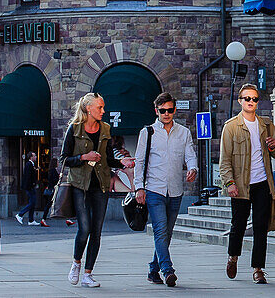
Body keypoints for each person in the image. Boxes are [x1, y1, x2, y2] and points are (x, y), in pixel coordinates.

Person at [61, 92, 135, 288]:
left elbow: (107, 158)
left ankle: (88, 273)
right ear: (88, 109)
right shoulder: (74, 129)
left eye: (103, 107)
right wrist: (84, 157)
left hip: (100, 185)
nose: (103, 111)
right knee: (84, 228)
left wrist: (121, 162)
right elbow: (64, 159)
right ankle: (76, 263)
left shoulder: (105, 129)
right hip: (80, 185)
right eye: (99, 107)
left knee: (97, 231)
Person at [219, 83, 275, 284]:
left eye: (254, 99)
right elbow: (225, 160)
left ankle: (258, 268)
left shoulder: (267, 125)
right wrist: (229, 182)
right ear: (240, 101)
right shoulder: (231, 127)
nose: (251, 102)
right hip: (241, 184)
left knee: (261, 228)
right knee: (238, 225)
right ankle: (233, 256)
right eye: (247, 99)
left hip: (263, 182)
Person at [134, 92, 198, 287]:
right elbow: (139, 162)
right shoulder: (147, 133)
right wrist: (139, 188)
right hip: (154, 189)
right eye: (163, 111)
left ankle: (153, 270)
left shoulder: (183, 132)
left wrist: (193, 168)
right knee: (160, 230)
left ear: (174, 110)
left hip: (176, 190)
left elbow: (190, 154)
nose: (167, 114)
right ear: (157, 111)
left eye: (170, 110)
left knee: (167, 232)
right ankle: (167, 270)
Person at [15, 151, 40, 225]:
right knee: (32, 202)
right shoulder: (29, 164)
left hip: (30, 186)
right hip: (29, 187)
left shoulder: (31, 165)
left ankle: (31, 220)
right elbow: (28, 177)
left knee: (33, 202)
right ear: (31, 157)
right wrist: (32, 184)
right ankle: (20, 214)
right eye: (34, 156)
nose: (36, 157)